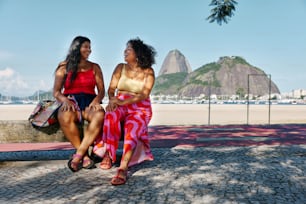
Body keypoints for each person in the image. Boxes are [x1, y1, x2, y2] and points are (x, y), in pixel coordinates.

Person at [93, 37, 156, 185]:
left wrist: (123, 102)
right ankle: (108, 154)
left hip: (139, 106)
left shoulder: (148, 71)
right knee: (110, 115)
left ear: (138, 53)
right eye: (125, 49)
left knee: (132, 127)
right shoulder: (120, 67)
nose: (125, 51)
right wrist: (112, 100)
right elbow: (111, 89)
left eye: (129, 49)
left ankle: (123, 166)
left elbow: (144, 94)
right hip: (119, 102)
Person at [53, 36, 105, 172]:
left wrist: (96, 101)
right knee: (64, 116)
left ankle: (78, 156)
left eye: (89, 47)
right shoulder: (64, 66)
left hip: (90, 101)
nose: (89, 50)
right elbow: (56, 92)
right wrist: (65, 100)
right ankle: (85, 155)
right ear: (77, 48)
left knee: (99, 115)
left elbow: (101, 91)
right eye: (86, 46)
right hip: (71, 101)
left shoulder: (95, 67)